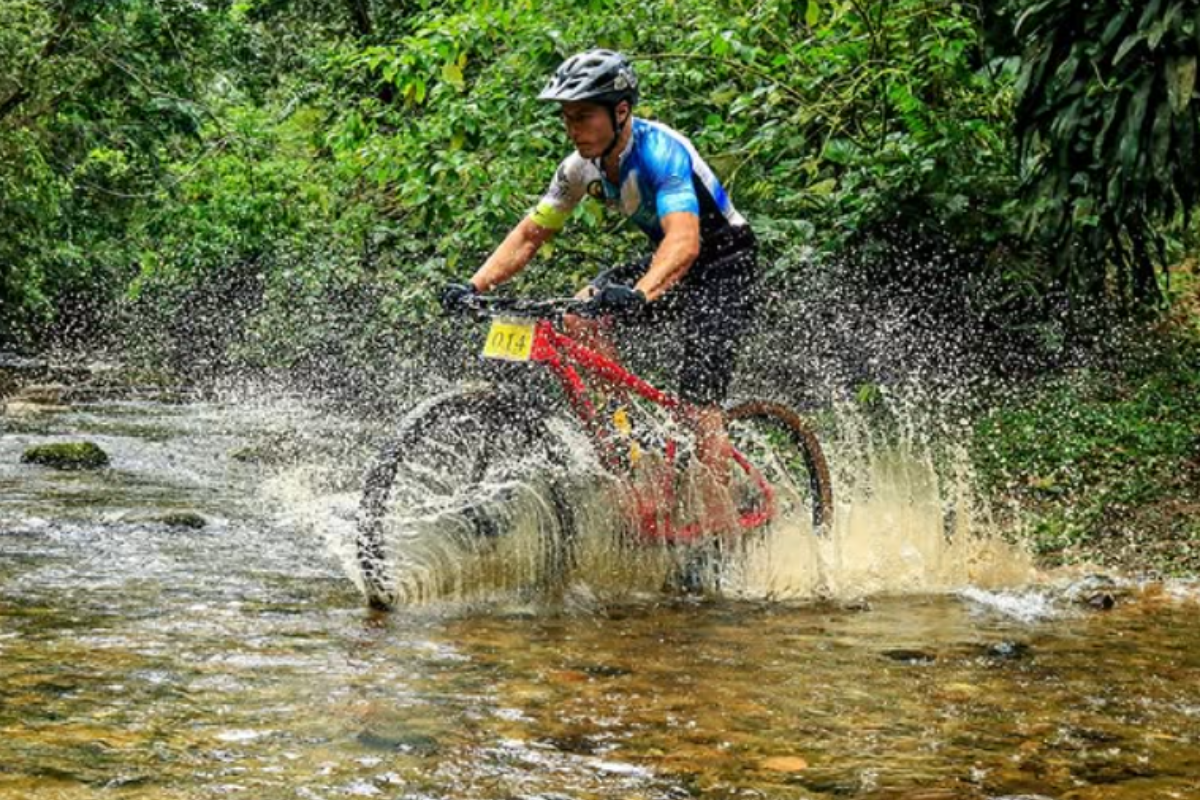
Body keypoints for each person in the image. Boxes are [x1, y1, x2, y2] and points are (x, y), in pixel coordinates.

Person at [441, 49, 759, 524]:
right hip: (665, 261)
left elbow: (684, 241)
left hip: (724, 264)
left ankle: (720, 531)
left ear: (621, 111)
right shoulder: (578, 168)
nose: (573, 127)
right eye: (567, 117)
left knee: (697, 407)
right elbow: (531, 233)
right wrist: (474, 284)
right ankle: (627, 444)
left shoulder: (660, 153)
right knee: (576, 316)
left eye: (584, 115)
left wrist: (640, 294)